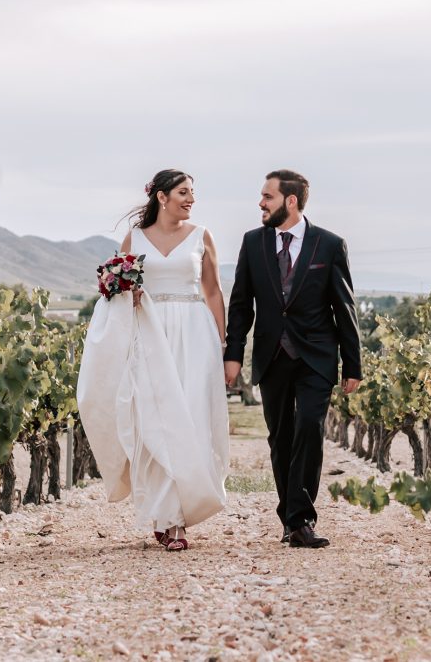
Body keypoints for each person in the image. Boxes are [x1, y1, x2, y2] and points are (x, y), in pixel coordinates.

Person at [77, 169, 229, 551]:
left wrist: (221, 344)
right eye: (183, 192)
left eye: (192, 192)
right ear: (161, 197)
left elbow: (213, 292)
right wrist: (124, 295)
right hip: (150, 333)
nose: (190, 199)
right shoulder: (135, 238)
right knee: (155, 419)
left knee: (189, 417)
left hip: (195, 335)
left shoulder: (202, 235)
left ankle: (178, 519)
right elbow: (122, 294)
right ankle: (166, 515)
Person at [224, 169, 361, 548]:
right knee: (280, 437)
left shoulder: (329, 244)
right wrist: (233, 355)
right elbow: (240, 305)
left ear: (290, 201)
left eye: (267, 196)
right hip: (272, 355)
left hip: (316, 356)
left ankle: (301, 519)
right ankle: (290, 516)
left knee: (309, 429)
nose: (260, 203)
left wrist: (353, 365)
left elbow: (344, 306)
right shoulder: (253, 243)